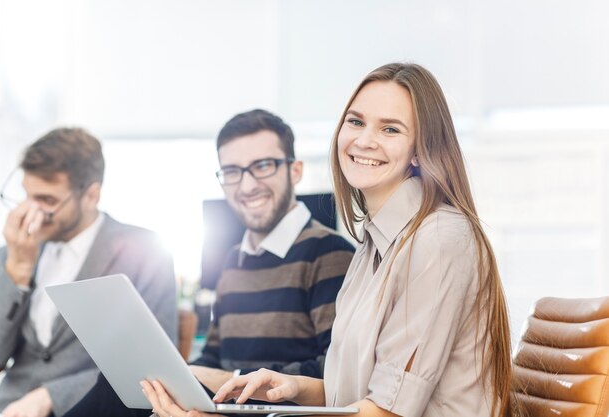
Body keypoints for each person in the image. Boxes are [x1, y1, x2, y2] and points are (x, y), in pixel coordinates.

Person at [142, 63, 517, 417]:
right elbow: (353, 396)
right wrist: (292, 386)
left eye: (390, 129)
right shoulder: (372, 246)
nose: (364, 140)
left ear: (420, 151)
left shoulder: (438, 238)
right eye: (356, 122)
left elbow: (386, 411)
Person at [64, 109, 355, 416]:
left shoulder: (329, 253)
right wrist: (182, 378)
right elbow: (214, 357)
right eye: (232, 171)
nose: (246, 186)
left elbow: (333, 372)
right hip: (224, 406)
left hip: (273, 412)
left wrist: (230, 381)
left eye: (263, 166)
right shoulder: (233, 260)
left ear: (295, 170)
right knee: (130, 385)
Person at [0, 128, 177, 417]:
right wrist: (17, 270)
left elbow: (156, 368)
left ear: (91, 195)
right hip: (7, 409)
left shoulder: (144, 252)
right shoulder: (12, 253)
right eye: (26, 195)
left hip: (90, 409)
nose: (30, 211)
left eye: (47, 201)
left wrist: (52, 395)